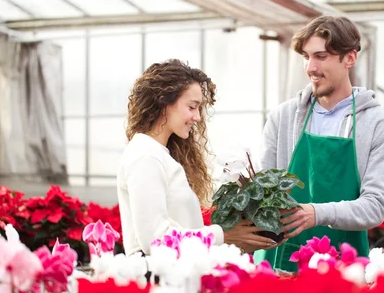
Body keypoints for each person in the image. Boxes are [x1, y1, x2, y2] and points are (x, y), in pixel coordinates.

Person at [259, 16, 384, 271]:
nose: (310, 67)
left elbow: (375, 207)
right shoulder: (283, 117)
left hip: (345, 264)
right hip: (281, 256)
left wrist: (316, 213)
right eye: (306, 56)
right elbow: (263, 189)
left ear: (350, 58)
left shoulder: (379, 124)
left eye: (321, 56)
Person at [117, 59, 278, 256]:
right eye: (192, 107)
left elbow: (184, 234)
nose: (198, 117)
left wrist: (238, 240)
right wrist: (224, 235)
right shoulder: (146, 156)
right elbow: (155, 241)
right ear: (164, 103)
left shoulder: (160, 154)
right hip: (158, 278)